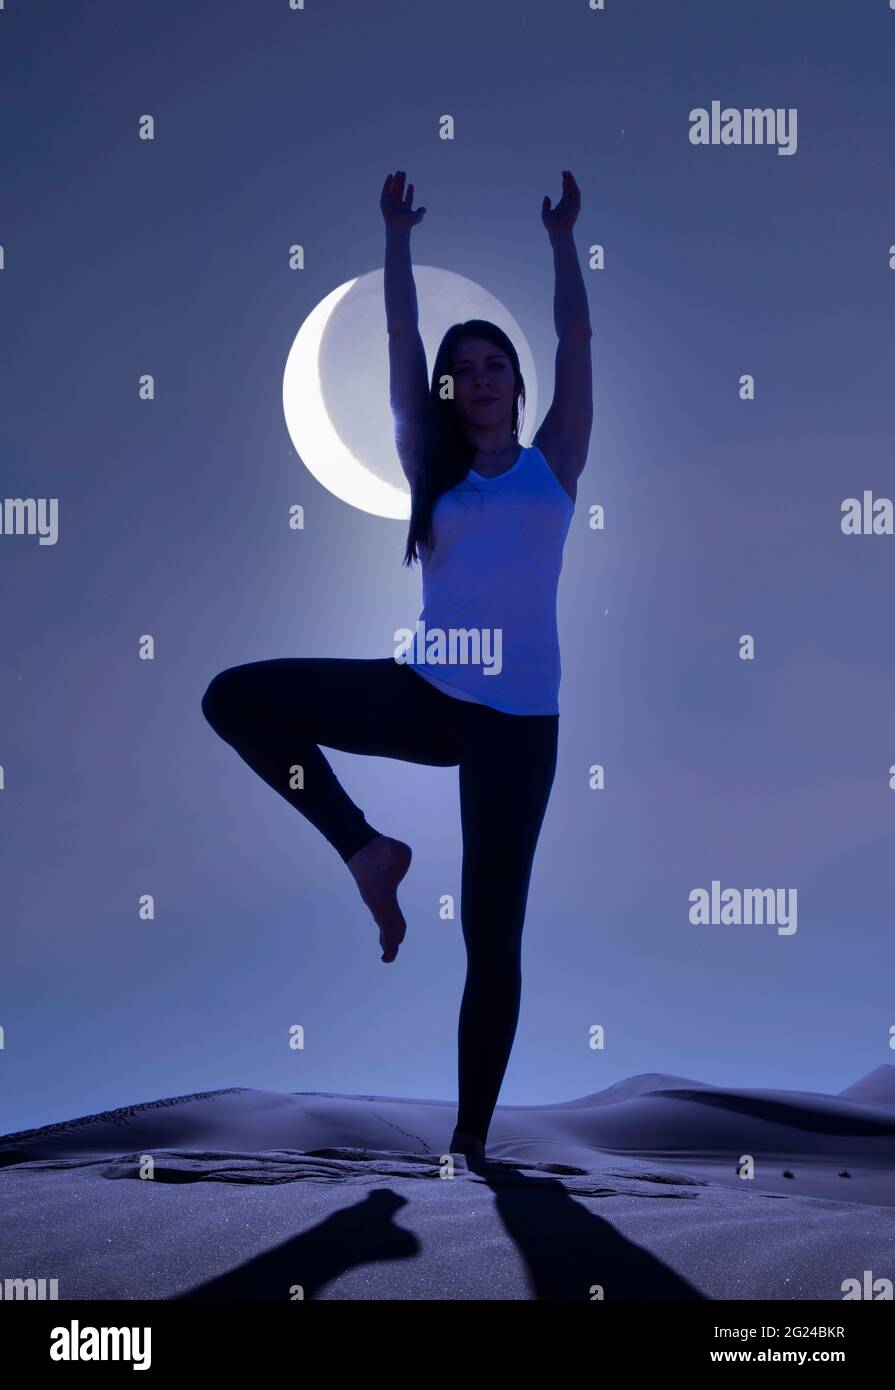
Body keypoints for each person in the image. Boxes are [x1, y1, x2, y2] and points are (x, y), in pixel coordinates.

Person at [201, 169, 593, 1164]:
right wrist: (394, 239)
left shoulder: (556, 459)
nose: (482, 377)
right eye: (464, 368)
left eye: (495, 362)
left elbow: (580, 345)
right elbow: (395, 344)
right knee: (237, 698)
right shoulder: (430, 464)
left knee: (492, 937)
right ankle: (366, 850)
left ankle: (468, 1141)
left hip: (519, 727)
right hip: (423, 692)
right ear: (451, 391)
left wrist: (560, 241)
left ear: (515, 381)